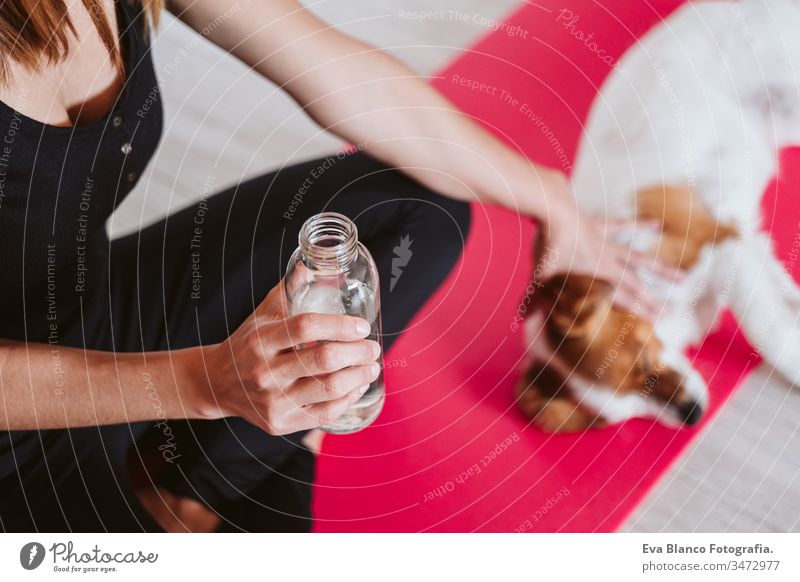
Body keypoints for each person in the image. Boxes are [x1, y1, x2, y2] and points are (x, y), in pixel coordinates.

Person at [0, 0, 654, 532]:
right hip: (21, 416)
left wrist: (550, 198)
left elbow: (350, 81)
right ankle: (226, 459)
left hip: (94, 306)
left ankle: (189, 490)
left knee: (417, 209)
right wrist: (203, 383)